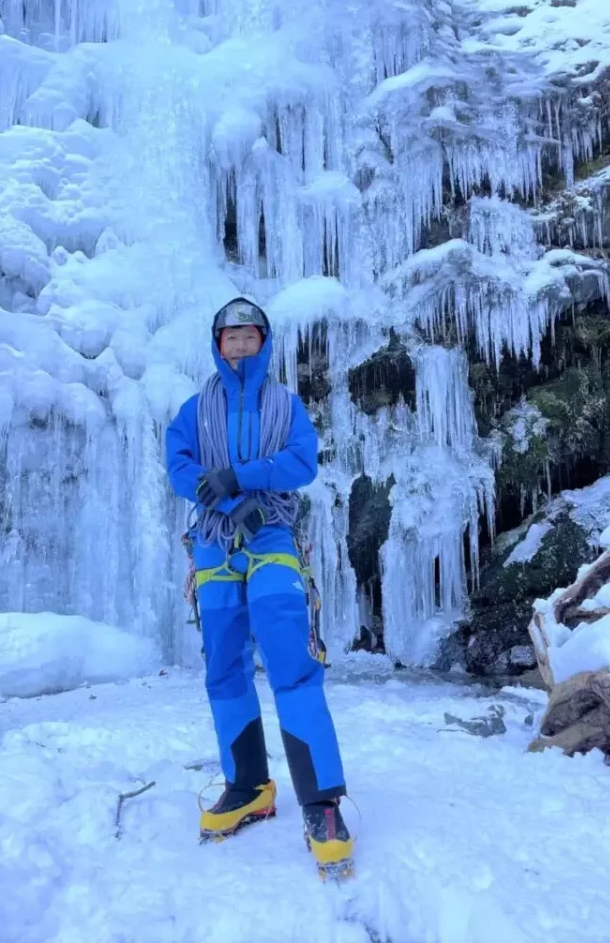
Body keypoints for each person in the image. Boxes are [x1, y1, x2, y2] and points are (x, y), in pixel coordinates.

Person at [165, 296, 354, 878]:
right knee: (223, 667)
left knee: (290, 660)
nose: (241, 345)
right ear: (218, 345)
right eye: (232, 338)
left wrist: (240, 477)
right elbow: (179, 465)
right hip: (214, 543)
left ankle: (321, 803)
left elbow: (301, 463)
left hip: (271, 536)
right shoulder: (195, 409)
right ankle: (248, 786)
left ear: (264, 344)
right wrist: (224, 498)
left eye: (250, 336)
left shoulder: (285, 404)